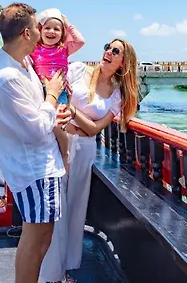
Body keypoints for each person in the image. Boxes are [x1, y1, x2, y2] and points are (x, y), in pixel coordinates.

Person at [39, 39, 138, 283]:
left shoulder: (116, 94)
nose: (108, 52)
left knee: (75, 208)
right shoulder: (78, 70)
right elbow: (56, 95)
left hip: (84, 149)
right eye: (107, 47)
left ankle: (66, 268)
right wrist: (77, 119)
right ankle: (50, 272)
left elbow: (94, 129)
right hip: (59, 140)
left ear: (123, 62)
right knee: (56, 205)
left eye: (115, 51)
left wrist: (73, 112)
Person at [0, 3, 71, 283]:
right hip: (33, 169)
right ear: (26, 33)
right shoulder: (8, 78)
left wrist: (53, 109)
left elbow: (36, 113)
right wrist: (52, 95)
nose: (41, 30)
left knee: (42, 238)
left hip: (42, 164)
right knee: (35, 241)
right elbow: (35, 130)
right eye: (37, 26)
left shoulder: (23, 65)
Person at [30, 7, 85, 170]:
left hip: (60, 92)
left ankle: (64, 154)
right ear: (40, 30)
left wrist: (67, 24)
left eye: (57, 29)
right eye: (47, 28)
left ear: (63, 33)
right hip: (41, 92)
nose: (51, 32)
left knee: (57, 124)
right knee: (43, 124)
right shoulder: (34, 49)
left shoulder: (63, 49)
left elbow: (80, 41)